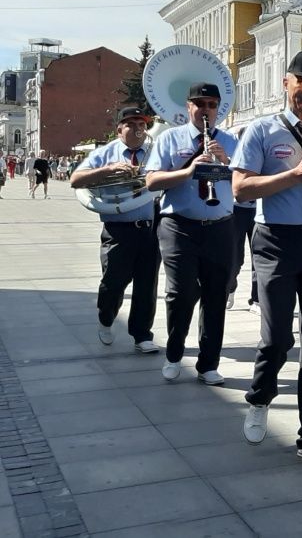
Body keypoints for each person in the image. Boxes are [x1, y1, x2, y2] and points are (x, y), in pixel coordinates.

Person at [230, 50, 302, 467]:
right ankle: (260, 398)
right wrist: (294, 177)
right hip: (276, 239)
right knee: (278, 337)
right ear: (286, 83)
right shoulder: (262, 130)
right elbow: (241, 190)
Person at [144, 83, 236, 385]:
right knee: (181, 292)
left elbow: (244, 187)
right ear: (189, 107)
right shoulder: (171, 138)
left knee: (215, 295)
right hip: (179, 226)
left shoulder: (232, 142)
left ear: (217, 109)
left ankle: (208, 364)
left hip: (220, 226)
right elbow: (152, 181)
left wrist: (226, 163)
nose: (206, 110)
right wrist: (189, 171)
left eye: (211, 104)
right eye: (200, 104)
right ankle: (174, 353)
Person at [70, 107, 160, 353]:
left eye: (142, 125)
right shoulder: (105, 153)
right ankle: (106, 317)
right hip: (118, 228)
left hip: (150, 228)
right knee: (113, 282)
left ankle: (142, 335)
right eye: (131, 124)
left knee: (146, 285)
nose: (138, 129)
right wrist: (108, 171)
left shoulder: (154, 152)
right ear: (119, 129)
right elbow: (75, 180)